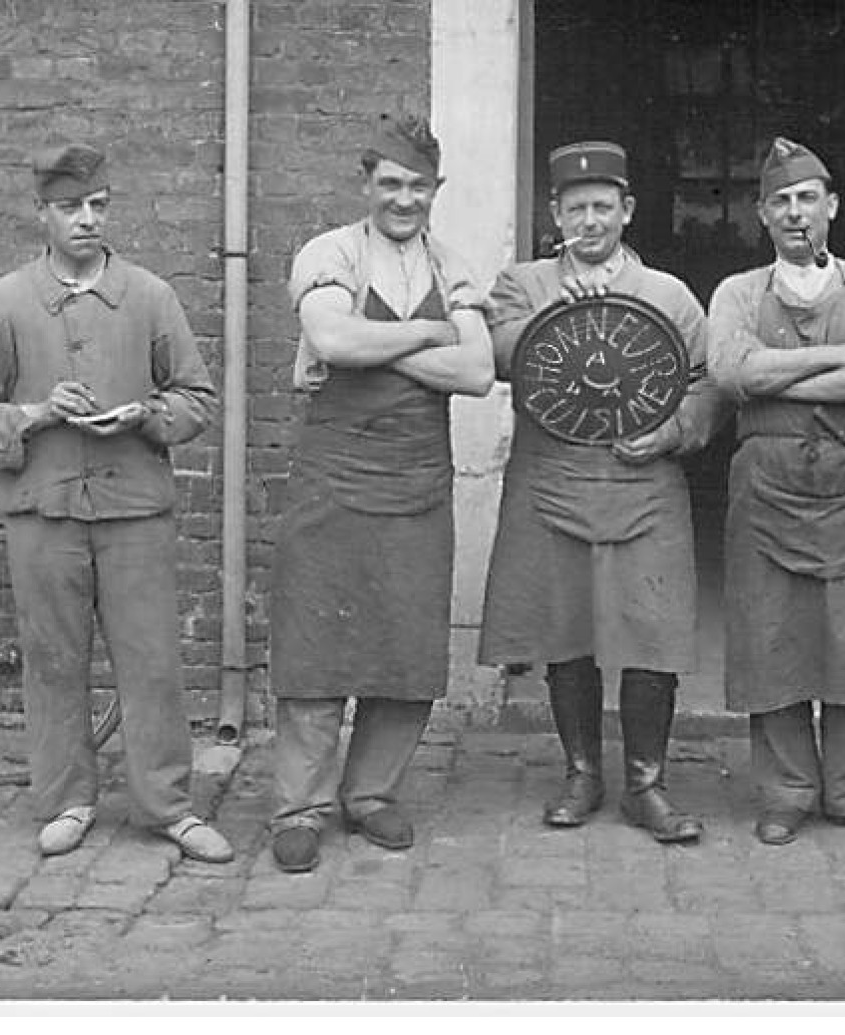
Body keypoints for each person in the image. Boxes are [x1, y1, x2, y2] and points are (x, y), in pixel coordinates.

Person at [0, 143, 232, 863]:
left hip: (134, 510)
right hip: (43, 512)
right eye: (71, 207)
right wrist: (36, 412)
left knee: (152, 661)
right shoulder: (7, 301)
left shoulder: (149, 296)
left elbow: (197, 398)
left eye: (98, 205)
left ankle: (167, 804)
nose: (87, 219)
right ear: (41, 213)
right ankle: (67, 799)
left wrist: (144, 414)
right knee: (51, 659)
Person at [479, 141, 727, 844]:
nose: (589, 221)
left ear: (627, 211)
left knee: (652, 630)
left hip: (642, 481)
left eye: (602, 207)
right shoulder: (522, 283)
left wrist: (675, 430)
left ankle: (645, 784)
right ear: (554, 214)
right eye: (575, 208)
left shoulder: (668, 295)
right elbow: (495, 352)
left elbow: (708, 381)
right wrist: (555, 311)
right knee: (567, 628)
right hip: (552, 479)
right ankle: (582, 772)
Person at [269, 114, 494, 874]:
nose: (404, 199)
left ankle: (369, 794)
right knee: (315, 642)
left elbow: (476, 373)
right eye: (390, 184)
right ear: (366, 185)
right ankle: (298, 805)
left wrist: (385, 349)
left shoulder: (454, 266)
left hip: (416, 479)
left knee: (406, 640)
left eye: (418, 186)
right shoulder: (329, 254)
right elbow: (332, 342)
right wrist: (433, 336)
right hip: (333, 476)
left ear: (436, 190)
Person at [708, 138, 845, 846]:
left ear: (831, 206)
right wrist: (838, 355)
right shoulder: (737, 292)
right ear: (761, 214)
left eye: (807, 199)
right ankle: (785, 790)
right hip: (765, 484)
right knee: (773, 635)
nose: (794, 214)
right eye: (780, 202)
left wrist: (779, 374)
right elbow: (729, 372)